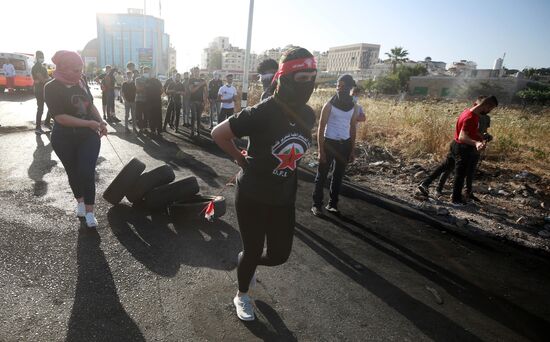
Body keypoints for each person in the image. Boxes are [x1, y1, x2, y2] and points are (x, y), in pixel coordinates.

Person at [212, 47, 317, 321]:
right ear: (284, 78)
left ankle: (246, 260)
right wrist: (239, 158)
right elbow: (219, 133)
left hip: (284, 196)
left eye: (312, 77)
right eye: (301, 78)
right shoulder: (262, 111)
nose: (308, 84)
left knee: (280, 254)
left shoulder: (308, 116)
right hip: (252, 194)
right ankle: (243, 294)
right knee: (254, 248)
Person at [44, 50, 107, 228]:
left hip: (88, 136)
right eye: (75, 70)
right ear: (62, 69)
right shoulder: (51, 87)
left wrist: (100, 121)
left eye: (81, 69)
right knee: (73, 171)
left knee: (87, 172)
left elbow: (90, 105)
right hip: (63, 137)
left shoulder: (81, 81)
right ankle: (79, 202)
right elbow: (60, 117)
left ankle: (89, 212)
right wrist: (88, 124)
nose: (79, 73)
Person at [311, 74, 359, 216]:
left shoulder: (354, 107)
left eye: (343, 86)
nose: (339, 88)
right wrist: (321, 150)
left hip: (344, 145)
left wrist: (352, 149)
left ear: (350, 87)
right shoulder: (329, 105)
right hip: (329, 143)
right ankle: (316, 205)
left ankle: (332, 204)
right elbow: (321, 127)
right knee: (322, 175)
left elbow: (352, 128)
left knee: (338, 176)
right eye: (338, 85)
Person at [450, 95, 498, 206]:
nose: (490, 111)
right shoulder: (471, 116)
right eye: (491, 108)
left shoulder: (472, 114)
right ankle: (455, 199)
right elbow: (463, 136)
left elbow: (474, 131)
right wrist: (476, 143)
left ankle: (460, 195)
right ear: (486, 105)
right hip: (463, 146)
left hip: (464, 145)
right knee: (459, 174)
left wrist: (482, 138)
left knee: (456, 170)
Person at [31, 51, 51, 134]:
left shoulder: (42, 66)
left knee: (51, 106)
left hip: (45, 90)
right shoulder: (36, 67)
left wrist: (47, 79)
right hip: (39, 91)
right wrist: (51, 79)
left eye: (42, 56)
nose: (42, 58)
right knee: (40, 109)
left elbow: (43, 79)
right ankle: (38, 127)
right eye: (40, 56)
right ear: (36, 57)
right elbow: (42, 79)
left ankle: (47, 122)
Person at [188, 67, 207, 137]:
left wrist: (205, 101)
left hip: (200, 101)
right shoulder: (191, 80)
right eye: (195, 71)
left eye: (197, 71)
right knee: (193, 117)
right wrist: (199, 85)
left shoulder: (203, 80)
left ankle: (198, 131)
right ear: (193, 72)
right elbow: (192, 90)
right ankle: (192, 131)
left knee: (199, 117)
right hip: (192, 101)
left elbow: (205, 92)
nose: (196, 72)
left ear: (199, 72)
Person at [134, 67, 148, 133]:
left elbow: (147, 88)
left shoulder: (147, 79)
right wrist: (145, 87)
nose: (143, 72)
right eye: (141, 71)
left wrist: (142, 87)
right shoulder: (137, 79)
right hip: (138, 99)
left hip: (146, 99)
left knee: (145, 114)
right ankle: (140, 127)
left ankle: (145, 127)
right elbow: (137, 89)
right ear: (140, 72)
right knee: (139, 115)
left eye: (144, 71)